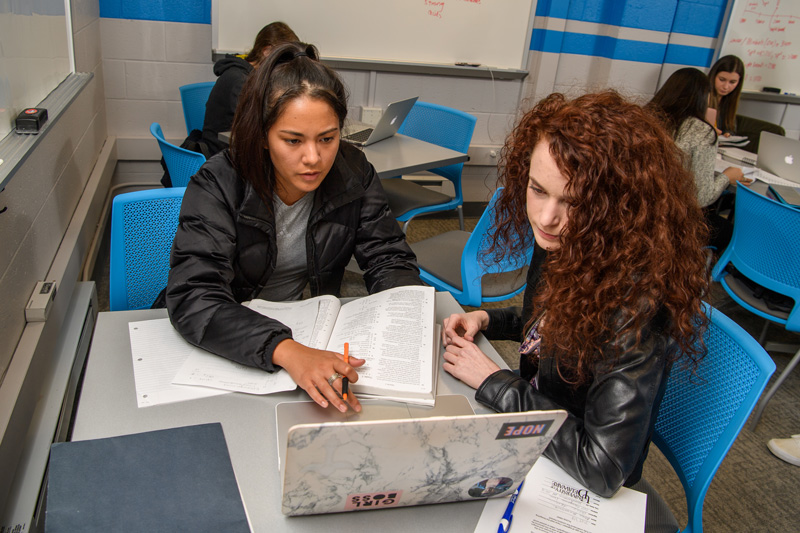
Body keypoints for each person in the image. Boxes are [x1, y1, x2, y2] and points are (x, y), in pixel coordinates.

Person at [440, 91, 709, 518]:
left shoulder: (635, 305)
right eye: (537, 190)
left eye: (574, 202)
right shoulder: (572, 241)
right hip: (541, 423)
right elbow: (553, 323)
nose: (546, 218)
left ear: (619, 206)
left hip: (579, 474)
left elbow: (602, 468)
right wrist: (489, 318)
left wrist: (493, 380)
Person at [162, 42, 423, 414]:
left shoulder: (354, 171)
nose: (314, 158)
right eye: (293, 141)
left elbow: (388, 258)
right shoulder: (219, 182)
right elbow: (194, 295)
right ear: (263, 135)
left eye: (327, 139)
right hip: (234, 336)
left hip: (308, 327)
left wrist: (408, 314)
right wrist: (286, 351)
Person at [648, 67, 749, 252]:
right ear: (703, 97)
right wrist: (727, 177)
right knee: (734, 233)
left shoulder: (643, 118)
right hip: (673, 220)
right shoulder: (701, 131)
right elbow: (701, 198)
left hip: (636, 212)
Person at [201, 22, 299, 156]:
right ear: (267, 51)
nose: (285, 66)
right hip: (222, 156)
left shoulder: (249, 76)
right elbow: (253, 128)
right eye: (283, 59)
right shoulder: (240, 81)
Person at [708, 55, 745, 135]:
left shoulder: (729, 102)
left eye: (732, 82)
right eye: (722, 80)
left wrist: (728, 134)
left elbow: (729, 128)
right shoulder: (701, 96)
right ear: (713, 76)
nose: (725, 87)